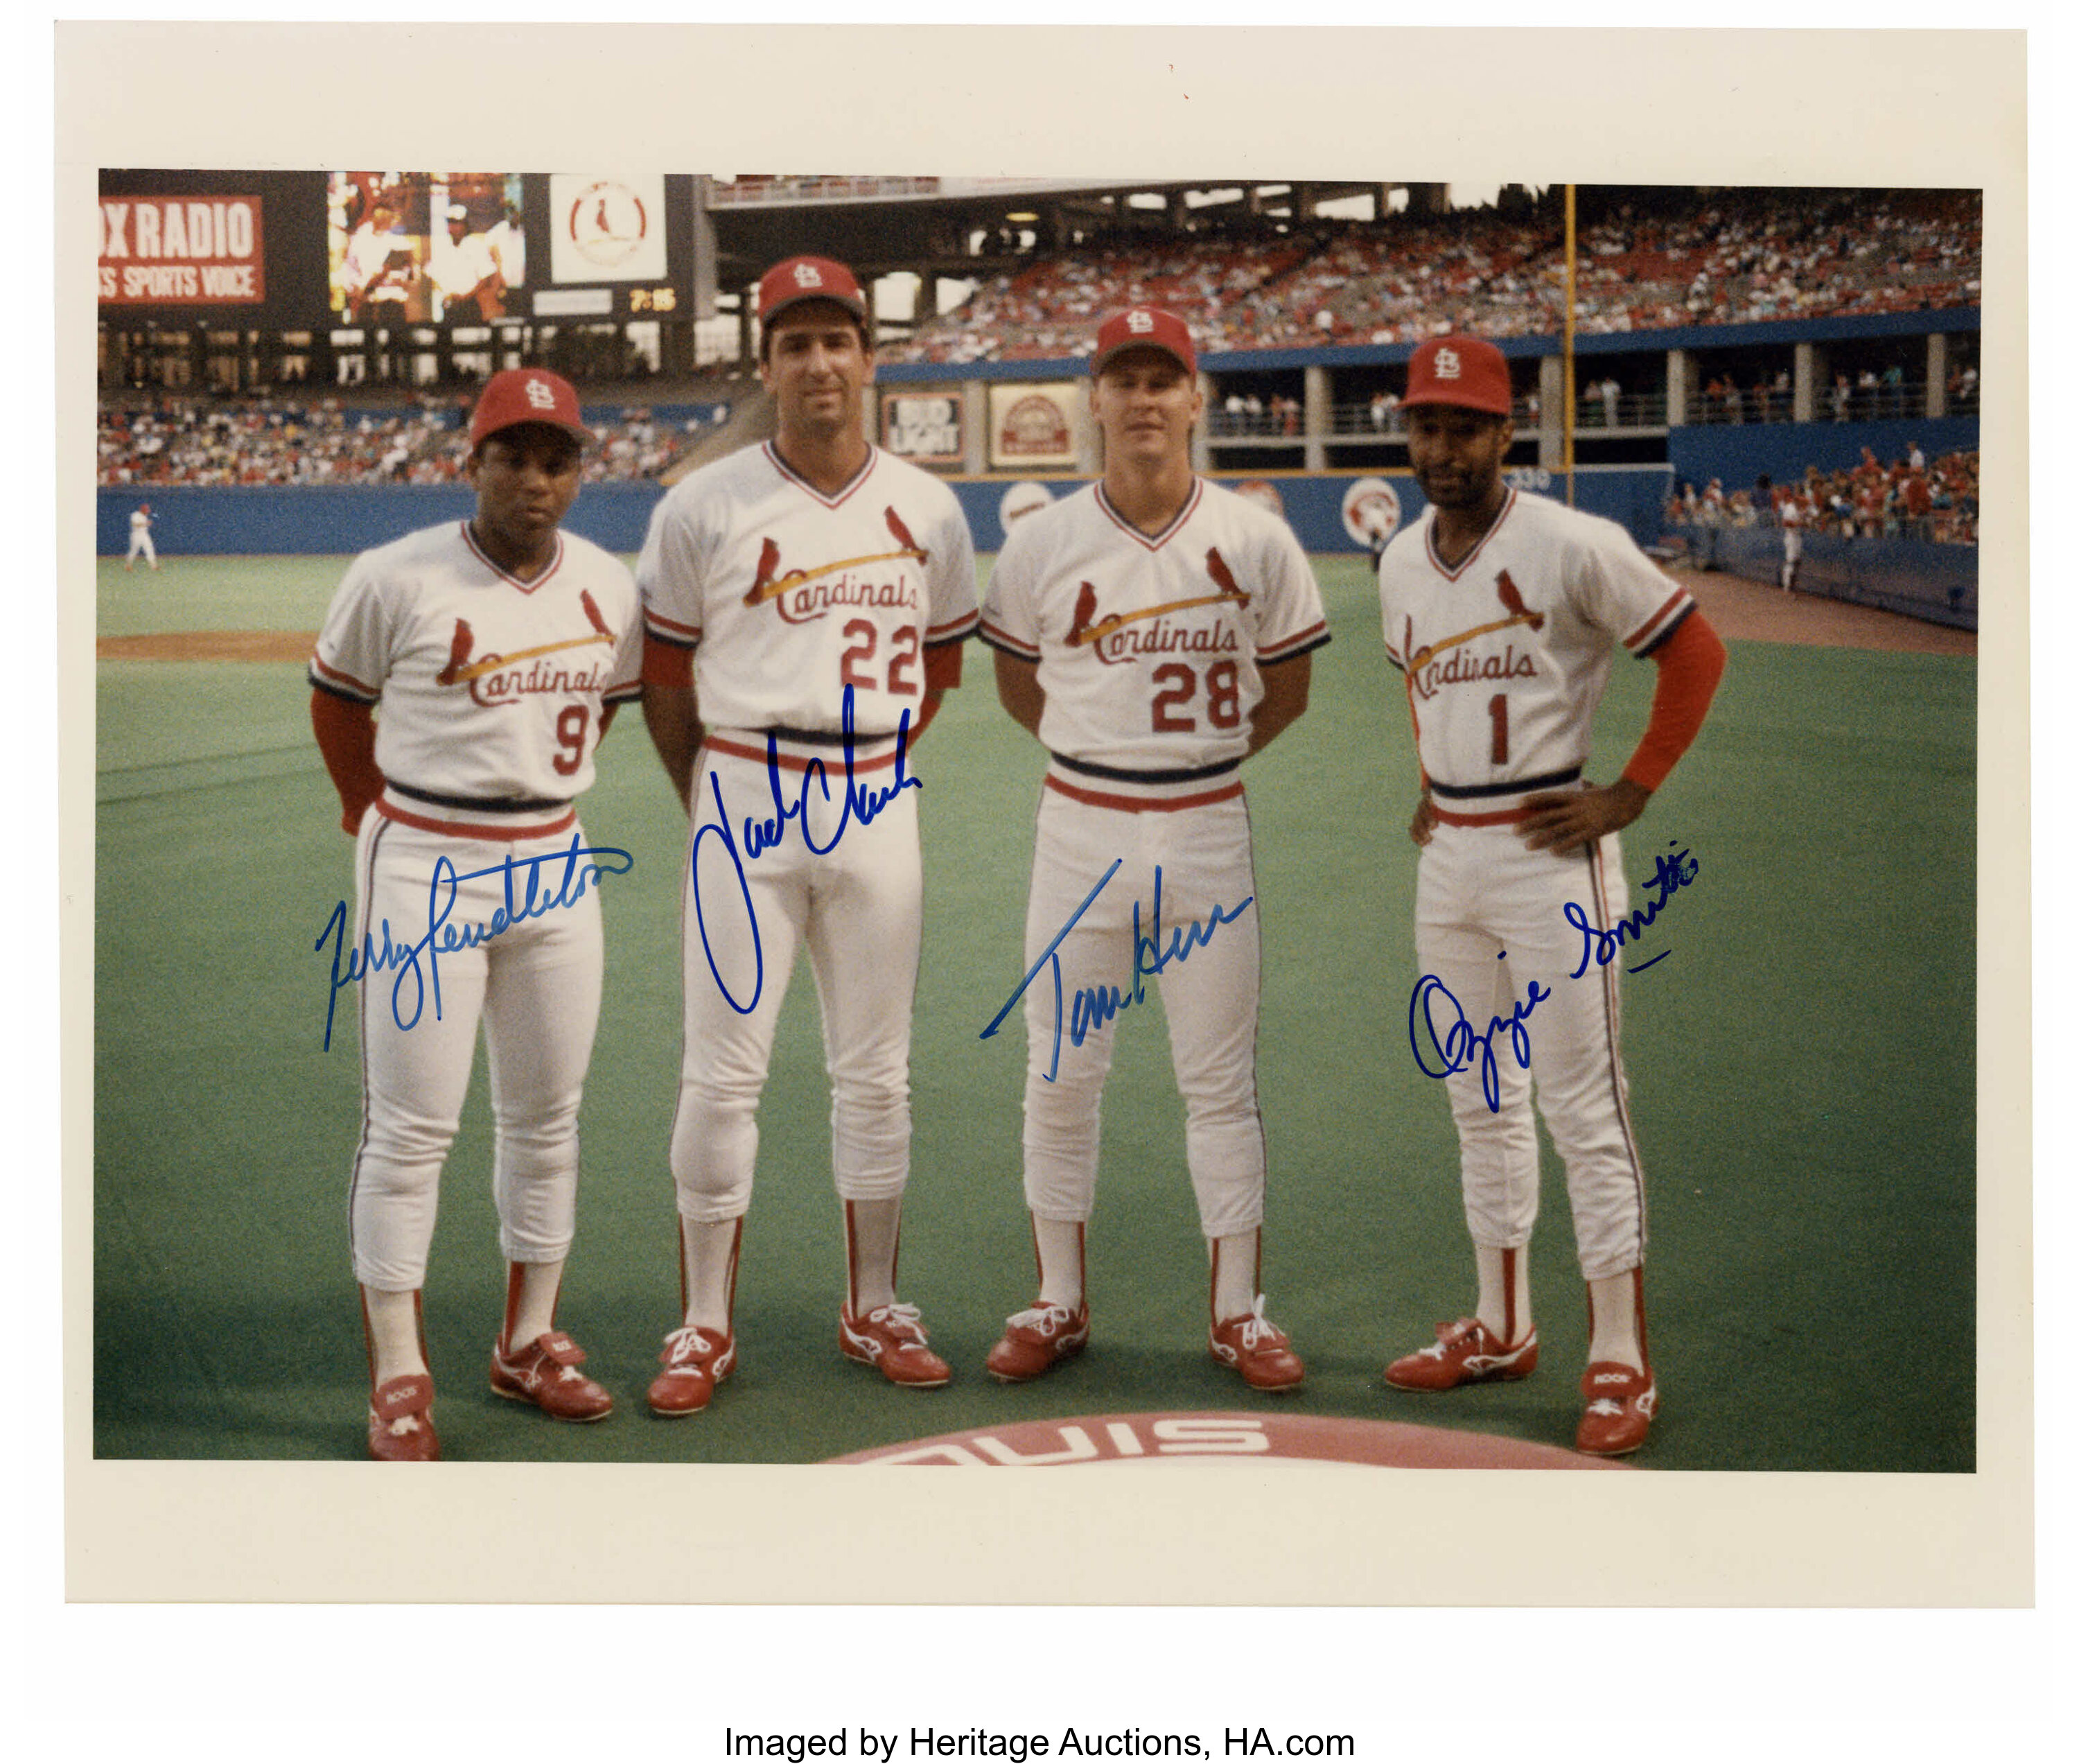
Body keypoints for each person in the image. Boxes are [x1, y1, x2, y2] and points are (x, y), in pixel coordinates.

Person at [635, 255, 979, 1415]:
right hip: (744, 785)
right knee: (722, 1072)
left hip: (874, 789)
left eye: (839, 339)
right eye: (797, 343)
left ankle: (874, 1301)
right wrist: (711, 796)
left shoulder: (928, 504)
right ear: (769, 365)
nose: (820, 361)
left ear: (868, 359)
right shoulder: (703, 503)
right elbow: (665, 680)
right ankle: (701, 1323)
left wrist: (866, 760)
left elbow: (941, 667)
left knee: (876, 1074)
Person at [1374, 334, 1727, 1456]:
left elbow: (1696, 652)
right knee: (1480, 1093)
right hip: (1455, 861)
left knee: (1583, 1105)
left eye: (1463, 426)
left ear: (1504, 432)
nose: (1442, 446)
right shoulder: (1394, 560)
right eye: (1426, 425)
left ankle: (1619, 1355)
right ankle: (1501, 1322)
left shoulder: (1575, 541)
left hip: (1550, 851)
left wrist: (1630, 791)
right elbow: (1420, 686)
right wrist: (1434, 785)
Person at [976, 306, 1330, 1391]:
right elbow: (1017, 684)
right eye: (1121, 380)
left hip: (1207, 824)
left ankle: (1237, 1310)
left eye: (1161, 379)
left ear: (1196, 398)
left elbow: (1291, 690)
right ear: (1093, 398)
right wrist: (1105, 751)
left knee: (1218, 1083)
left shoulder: (1256, 535)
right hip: (1079, 827)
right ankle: (1058, 1298)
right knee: (1061, 1071)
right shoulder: (1040, 540)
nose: (1142, 399)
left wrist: (1192, 761)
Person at [308, 368, 644, 1461]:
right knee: (412, 1128)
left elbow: (606, 712)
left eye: (557, 459)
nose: (536, 478)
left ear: (580, 472)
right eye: (514, 455)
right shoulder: (394, 573)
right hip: (427, 858)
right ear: (473, 460)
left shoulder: (607, 583)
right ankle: (401, 1370)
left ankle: (529, 1339)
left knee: (550, 1115)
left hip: (554, 853)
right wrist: (374, 817)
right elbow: (336, 705)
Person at [430, 202, 504, 324]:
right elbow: (434, 276)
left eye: (457, 223)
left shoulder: (476, 246)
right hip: (449, 303)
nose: (453, 228)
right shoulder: (441, 248)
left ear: (465, 225)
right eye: (450, 223)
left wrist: (466, 296)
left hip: (470, 304)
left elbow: (485, 278)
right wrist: (448, 295)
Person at [125, 502, 156, 571]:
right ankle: (128, 565)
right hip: (136, 535)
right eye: (147, 509)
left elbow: (145, 525)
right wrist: (146, 523)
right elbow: (135, 524)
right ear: (142, 509)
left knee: (149, 549)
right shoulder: (135, 515)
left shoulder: (145, 516)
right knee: (134, 550)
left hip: (145, 535)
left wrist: (147, 524)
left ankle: (154, 566)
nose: (148, 511)